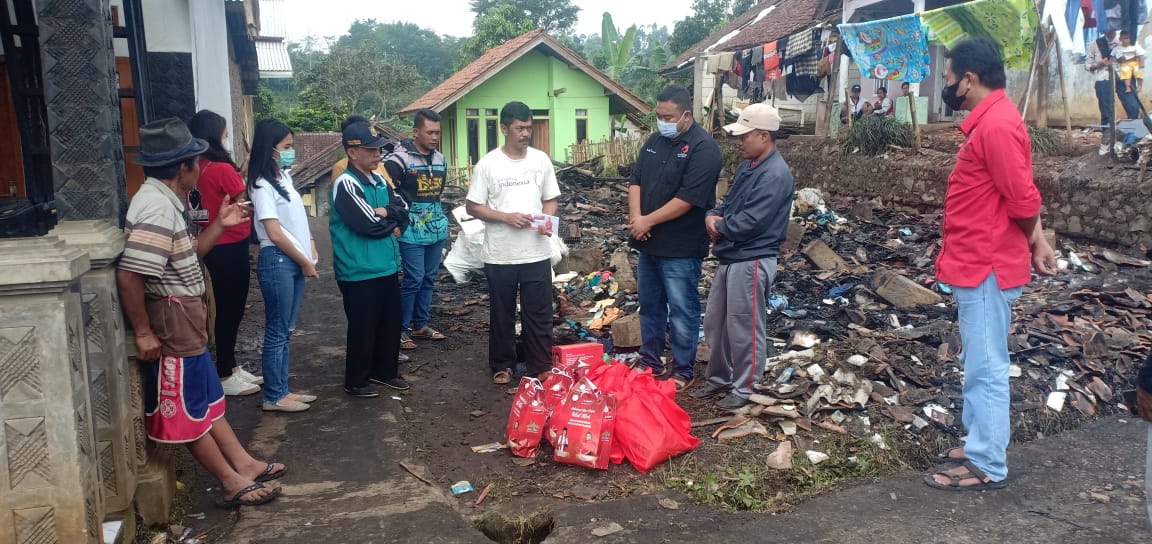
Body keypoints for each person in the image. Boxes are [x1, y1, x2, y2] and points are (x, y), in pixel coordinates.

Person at [117, 117, 284, 508]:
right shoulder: (156, 207)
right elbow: (130, 275)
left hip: (186, 316)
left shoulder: (169, 202)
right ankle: (230, 481)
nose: (199, 166)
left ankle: (244, 464)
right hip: (172, 320)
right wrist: (143, 332)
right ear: (183, 167)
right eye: (196, 160)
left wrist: (220, 224)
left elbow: (188, 255)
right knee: (187, 410)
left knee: (205, 399)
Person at [925, 37, 1057, 492]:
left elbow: (1022, 198)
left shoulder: (997, 126)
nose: (946, 87)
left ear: (969, 79)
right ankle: (979, 440)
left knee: (986, 366)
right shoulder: (992, 123)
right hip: (976, 262)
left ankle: (987, 462)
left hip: (986, 265)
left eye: (948, 79)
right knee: (978, 361)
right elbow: (1016, 193)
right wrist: (1036, 240)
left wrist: (1035, 241)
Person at [691, 104, 794, 410]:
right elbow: (728, 203)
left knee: (745, 325)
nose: (740, 142)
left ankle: (745, 386)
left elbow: (751, 222)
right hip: (732, 256)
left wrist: (718, 225)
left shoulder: (775, 174)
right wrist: (714, 215)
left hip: (752, 257)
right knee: (716, 322)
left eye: (745, 136)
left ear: (763, 136)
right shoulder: (748, 167)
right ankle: (720, 377)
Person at [627, 85, 722, 392]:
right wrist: (636, 218)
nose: (662, 121)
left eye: (668, 117)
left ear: (686, 116)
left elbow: (688, 199)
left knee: (682, 308)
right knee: (650, 306)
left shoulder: (704, 149)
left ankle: (682, 368)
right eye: (659, 116)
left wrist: (646, 220)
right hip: (649, 242)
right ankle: (650, 361)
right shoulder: (654, 141)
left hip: (681, 246)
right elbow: (635, 181)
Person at [465, 101, 561, 385]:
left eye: (528, 128)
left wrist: (547, 219)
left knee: (539, 313)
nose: (525, 133)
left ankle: (540, 365)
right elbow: (473, 207)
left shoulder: (541, 160)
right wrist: (506, 217)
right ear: (504, 128)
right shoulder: (488, 164)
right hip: (500, 255)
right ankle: (503, 365)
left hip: (536, 252)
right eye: (519, 128)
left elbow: (550, 199)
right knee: (502, 313)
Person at [331, 120, 411, 398]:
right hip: (357, 268)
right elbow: (368, 226)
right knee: (363, 326)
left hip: (386, 265)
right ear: (353, 153)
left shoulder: (378, 180)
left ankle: (385, 371)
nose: (378, 155)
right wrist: (390, 218)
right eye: (371, 151)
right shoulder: (346, 184)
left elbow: (404, 210)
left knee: (390, 321)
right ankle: (356, 379)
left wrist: (385, 212)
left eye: (379, 150)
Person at [186, 110, 261, 397]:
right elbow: (241, 200)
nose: (228, 135)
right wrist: (243, 176)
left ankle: (230, 365)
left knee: (225, 309)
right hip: (231, 243)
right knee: (232, 309)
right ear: (217, 134)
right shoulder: (221, 169)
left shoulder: (199, 167)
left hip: (211, 244)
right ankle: (225, 371)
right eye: (225, 131)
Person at [248, 119, 319, 413]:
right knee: (278, 330)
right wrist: (304, 261)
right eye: (286, 147)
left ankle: (282, 390)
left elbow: (296, 222)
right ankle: (275, 395)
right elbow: (274, 232)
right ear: (270, 149)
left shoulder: (283, 177)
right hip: (279, 261)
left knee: (286, 330)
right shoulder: (262, 185)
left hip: (293, 261)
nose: (291, 152)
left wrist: (311, 244)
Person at [384, 109, 450, 352]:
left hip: (435, 226)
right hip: (410, 228)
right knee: (414, 278)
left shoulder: (441, 160)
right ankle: (401, 328)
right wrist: (395, 223)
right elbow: (387, 193)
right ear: (416, 132)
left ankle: (421, 324)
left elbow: (438, 192)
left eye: (437, 133)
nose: (434, 137)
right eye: (429, 132)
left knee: (429, 278)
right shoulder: (398, 161)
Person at [1087, 34, 1116, 150]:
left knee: (1132, 108)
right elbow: (1088, 65)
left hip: (1122, 79)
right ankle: (1107, 138)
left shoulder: (1122, 41)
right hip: (1102, 79)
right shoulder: (1095, 44)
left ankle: (1131, 140)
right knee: (1105, 110)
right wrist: (1100, 64)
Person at [1116, 30, 1145, 94]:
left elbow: (1141, 54)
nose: (1127, 40)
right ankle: (1128, 87)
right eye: (1125, 38)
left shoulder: (1135, 46)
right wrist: (1133, 58)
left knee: (1139, 71)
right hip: (1125, 64)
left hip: (1136, 63)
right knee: (1125, 72)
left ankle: (1140, 86)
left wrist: (1142, 63)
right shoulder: (1118, 48)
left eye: (1128, 38)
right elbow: (1121, 59)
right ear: (1120, 39)